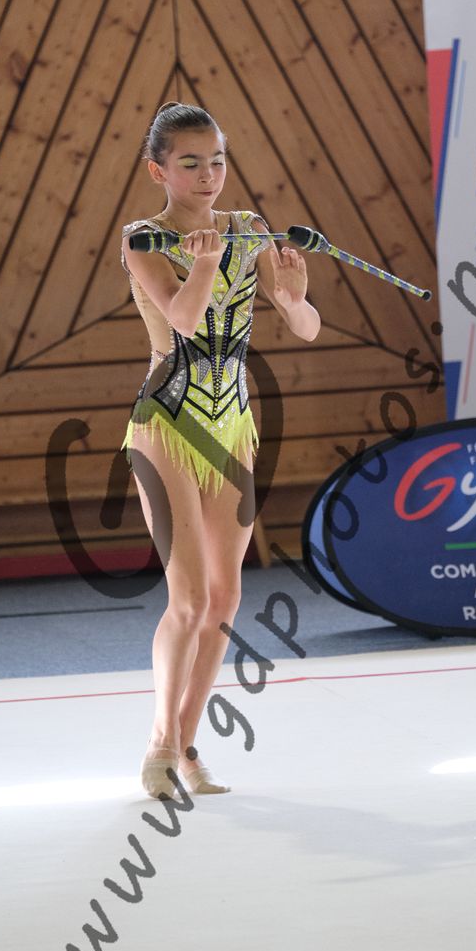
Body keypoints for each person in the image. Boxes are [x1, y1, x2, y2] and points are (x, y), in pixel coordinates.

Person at [120, 101, 320, 798]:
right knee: (189, 597)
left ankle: (186, 746)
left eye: (217, 160)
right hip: (167, 425)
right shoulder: (144, 239)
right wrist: (205, 264)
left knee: (227, 598)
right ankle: (160, 742)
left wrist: (292, 299)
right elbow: (181, 319)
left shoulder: (249, 228)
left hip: (232, 424)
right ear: (158, 171)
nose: (208, 175)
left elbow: (305, 327)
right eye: (190, 163)